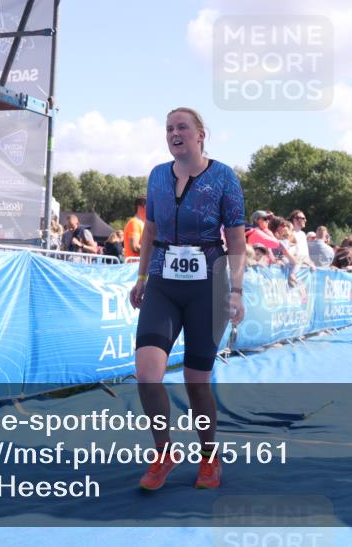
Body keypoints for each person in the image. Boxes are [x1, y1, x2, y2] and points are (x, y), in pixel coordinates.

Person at [128, 107, 246, 492]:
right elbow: (151, 231)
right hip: (162, 280)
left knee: (197, 382)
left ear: (200, 134)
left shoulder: (224, 177)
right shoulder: (158, 176)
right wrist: (142, 277)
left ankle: (209, 457)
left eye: (182, 127)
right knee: (147, 376)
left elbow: (237, 239)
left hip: (208, 286)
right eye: (168, 128)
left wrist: (237, 291)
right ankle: (164, 452)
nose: (174, 133)